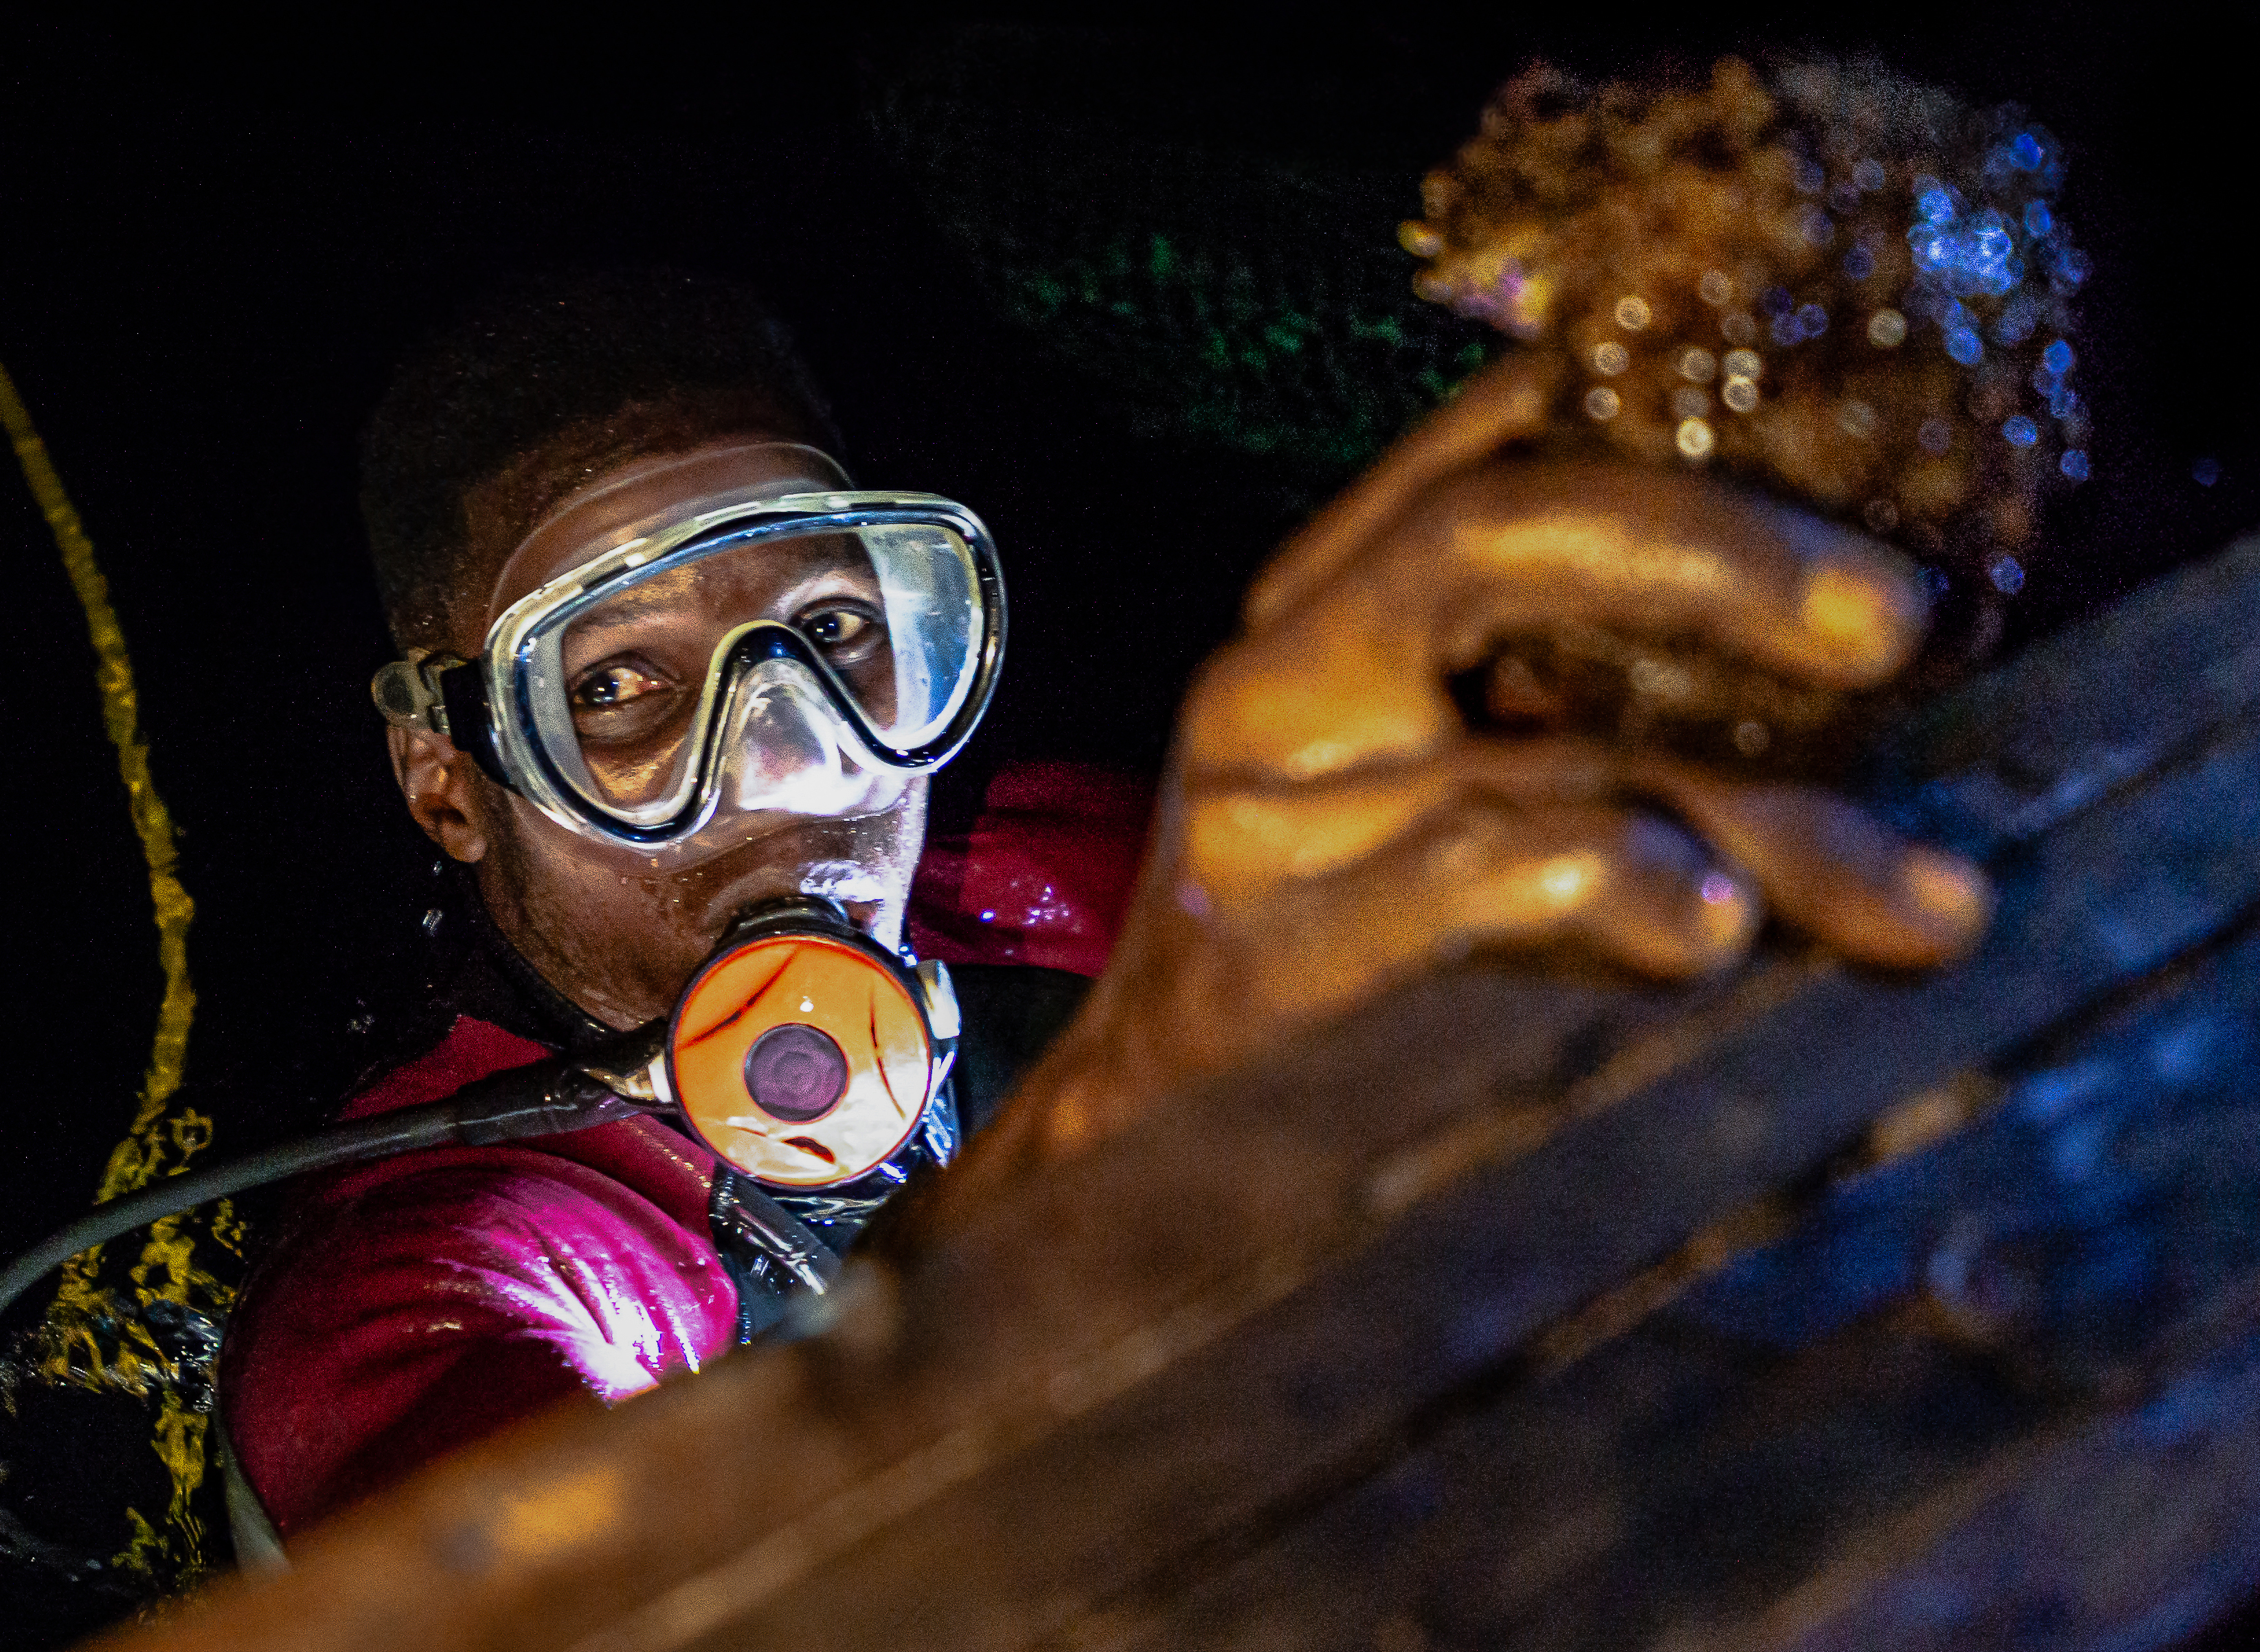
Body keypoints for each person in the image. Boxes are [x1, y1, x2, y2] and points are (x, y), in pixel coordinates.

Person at [223, 52, 2050, 1539]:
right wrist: (1079, 1206)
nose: (790, 759)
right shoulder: (435, 1277)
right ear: (450, 781)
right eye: (618, 687)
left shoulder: (1065, 876)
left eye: (833, 631)